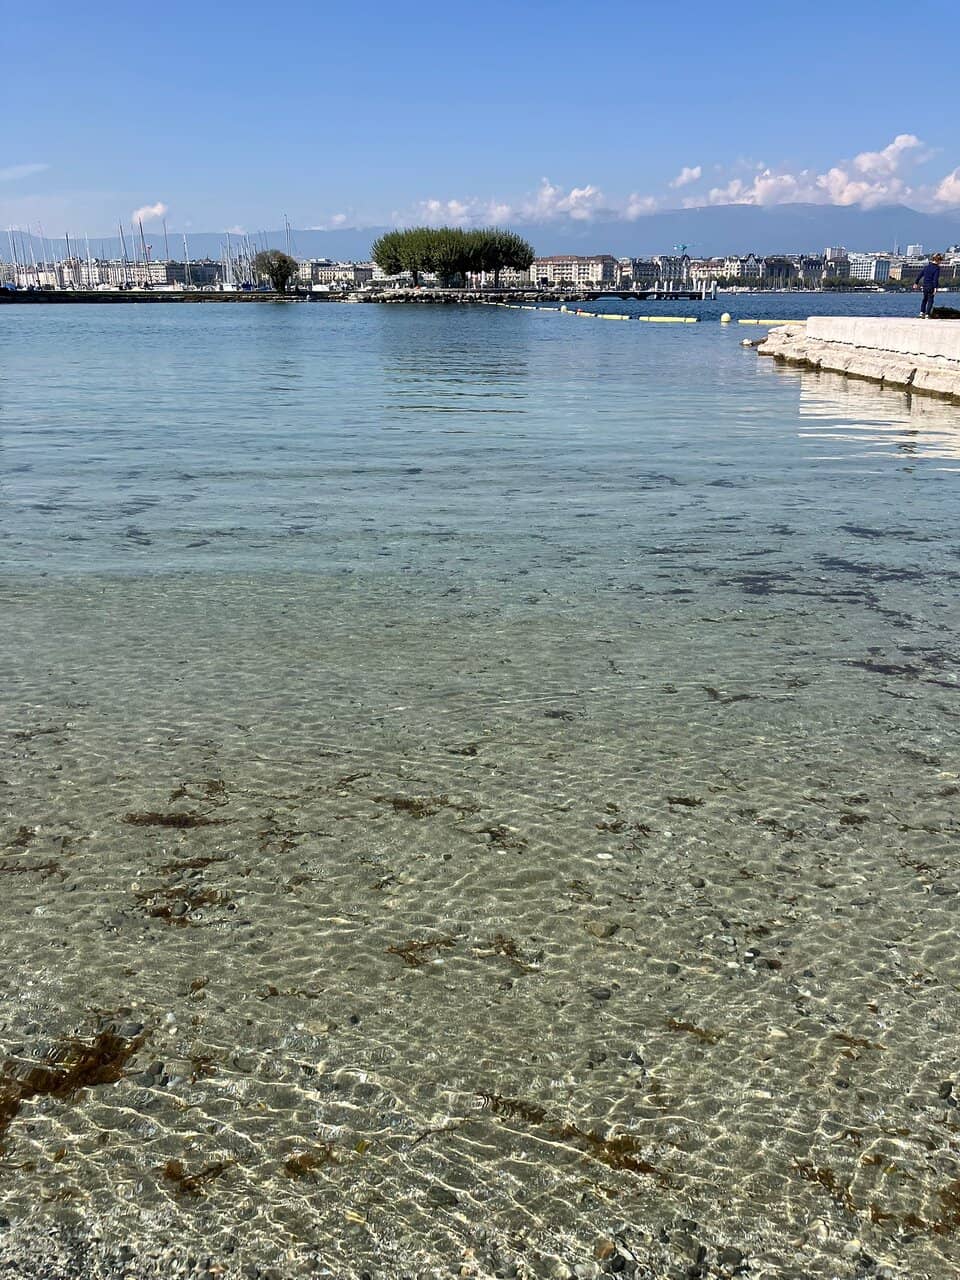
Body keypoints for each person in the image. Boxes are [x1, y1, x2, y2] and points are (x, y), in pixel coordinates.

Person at [916, 253, 943, 318]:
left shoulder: (926, 267)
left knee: (924, 299)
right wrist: (935, 288)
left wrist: (916, 282)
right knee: (930, 300)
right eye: (940, 261)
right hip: (931, 286)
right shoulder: (937, 268)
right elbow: (935, 279)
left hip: (925, 285)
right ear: (938, 260)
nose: (940, 263)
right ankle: (927, 314)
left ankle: (921, 313)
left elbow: (920, 275)